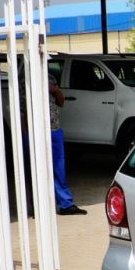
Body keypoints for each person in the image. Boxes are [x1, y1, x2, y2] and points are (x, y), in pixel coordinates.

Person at [48, 74, 86, 215]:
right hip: (34, 132)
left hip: (54, 129)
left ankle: (66, 204)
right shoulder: (23, 79)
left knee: (58, 168)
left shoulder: (50, 77)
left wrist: (56, 90)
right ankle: (38, 205)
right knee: (35, 169)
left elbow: (61, 102)